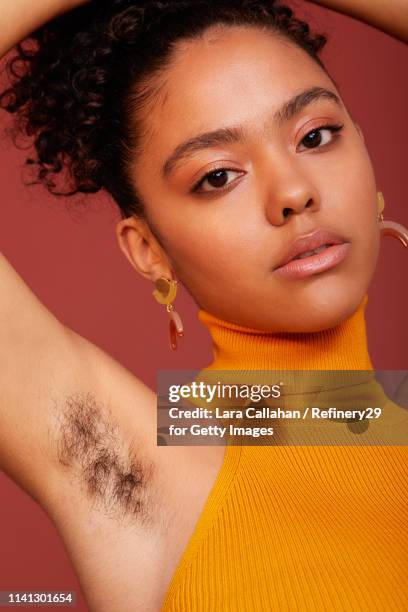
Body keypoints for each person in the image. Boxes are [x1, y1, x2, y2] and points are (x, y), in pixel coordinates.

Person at [0, 0, 407, 610]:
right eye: (218, 176)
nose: (294, 192)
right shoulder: (139, 467)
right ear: (149, 251)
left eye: (316, 136)